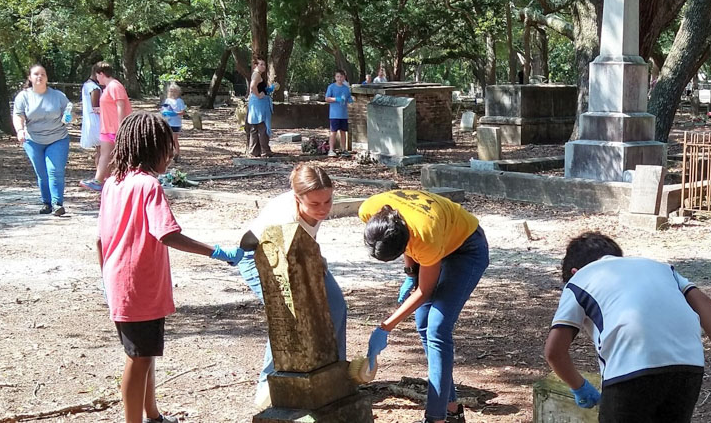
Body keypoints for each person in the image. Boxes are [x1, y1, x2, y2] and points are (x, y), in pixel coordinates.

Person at [97, 111, 243, 423]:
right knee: (137, 359)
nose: (171, 156)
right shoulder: (148, 186)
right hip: (139, 283)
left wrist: (106, 281)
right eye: (168, 149)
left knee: (144, 352)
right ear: (153, 149)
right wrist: (216, 251)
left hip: (120, 281)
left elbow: (100, 240)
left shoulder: (113, 183)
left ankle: (152, 415)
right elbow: (167, 234)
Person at [544, 232, 711, 422]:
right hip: (688, 365)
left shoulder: (579, 279)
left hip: (630, 368)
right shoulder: (661, 267)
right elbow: (704, 304)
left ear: (574, 271)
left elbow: (554, 352)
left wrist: (579, 387)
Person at [358, 190, 489, 423]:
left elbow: (423, 291)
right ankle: (451, 409)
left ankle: (435, 417)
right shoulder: (369, 209)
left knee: (437, 328)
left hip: (466, 249)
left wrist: (385, 327)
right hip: (437, 242)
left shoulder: (425, 235)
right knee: (423, 323)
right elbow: (408, 248)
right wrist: (410, 272)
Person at [236, 163, 347, 410]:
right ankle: (269, 387)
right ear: (298, 199)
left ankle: (335, 372)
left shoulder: (316, 202)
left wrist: (317, 260)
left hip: (302, 254)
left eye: (328, 201)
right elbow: (275, 255)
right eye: (315, 205)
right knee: (287, 321)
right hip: (261, 257)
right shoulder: (284, 217)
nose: (323, 209)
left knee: (337, 306)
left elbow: (308, 236)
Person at [12, 63, 72, 216]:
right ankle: (46, 203)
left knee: (55, 170)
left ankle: (57, 203)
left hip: (57, 138)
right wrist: (20, 130)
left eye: (43, 74)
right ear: (30, 78)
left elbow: (69, 111)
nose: (40, 77)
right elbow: (18, 115)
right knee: (42, 173)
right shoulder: (23, 96)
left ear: (47, 78)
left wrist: (69, 116)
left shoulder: (58, 96)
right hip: (33, 140)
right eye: (36, 74)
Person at [81, 62, 131, 192]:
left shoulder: (115, 86)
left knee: (118, 156)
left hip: (115, 128)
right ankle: (100, 181)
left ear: (101, 74)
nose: (96, 79)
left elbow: (120, 106)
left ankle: (115, 181)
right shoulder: (108, 87)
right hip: (107, 127)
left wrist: (121, 126)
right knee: (105, 155)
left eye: (97, 75)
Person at [246, 59, 274, 157]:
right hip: (259, 105)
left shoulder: (256, 75)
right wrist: (258, 95)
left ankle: (254, 151)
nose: (263, 66)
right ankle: (265, 151)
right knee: (262, 128)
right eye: (261, 64)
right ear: (255, 65)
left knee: (254, 129)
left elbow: (256, 87)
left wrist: (267, 90)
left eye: (264, 64)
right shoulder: (257, 75)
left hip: (255, 104)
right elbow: (253, 86)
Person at [324, 69, 352, 157]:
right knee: (333, 132)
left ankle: (343, 149)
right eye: (337, 76)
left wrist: (350, 100)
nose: (339, 78)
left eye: (341, 77)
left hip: (343, 114)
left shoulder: (346, 88)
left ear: (344, 77)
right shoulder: (331, 87)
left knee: (343, 132)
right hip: (334, 114)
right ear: (335, 77)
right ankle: (331, 150)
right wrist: (336, 99)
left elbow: (349, 99)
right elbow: (327, 98)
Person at [80, 65, 102, 171]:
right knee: (102, 151)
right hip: (97, 121)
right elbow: (96, 107)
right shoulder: (94, 88)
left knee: (100, 150)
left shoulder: (86, 85)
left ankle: (100, 173)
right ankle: (101, 175)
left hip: (90, 120)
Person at [160, 83, 186, 162]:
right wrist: (164, 113)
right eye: (171, 91)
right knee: (167, 139)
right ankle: (168, 155)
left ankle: (177, 154)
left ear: (178, 92)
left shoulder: (180, 101)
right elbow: (164, 110)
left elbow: (183, 112)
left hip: (176, 123)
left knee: (174, 139)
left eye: (174, 91)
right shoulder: (167, 100)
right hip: (168, 122)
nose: (173, 93)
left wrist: (175, 113)